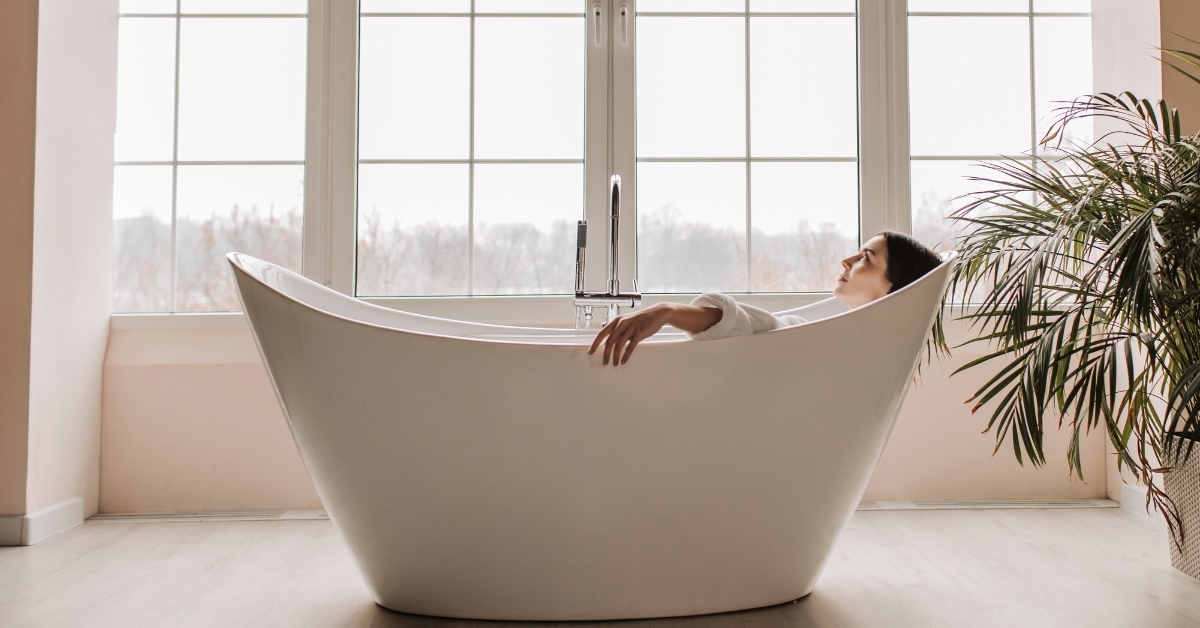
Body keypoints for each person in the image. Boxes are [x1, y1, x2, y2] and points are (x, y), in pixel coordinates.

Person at [588, 231, 942, 366]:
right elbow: (769, 331)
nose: (846, 260)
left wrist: (667, 311)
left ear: (895, 289)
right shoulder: (836, 342)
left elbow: (760, 330)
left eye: (866, 257)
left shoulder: (841, 351)